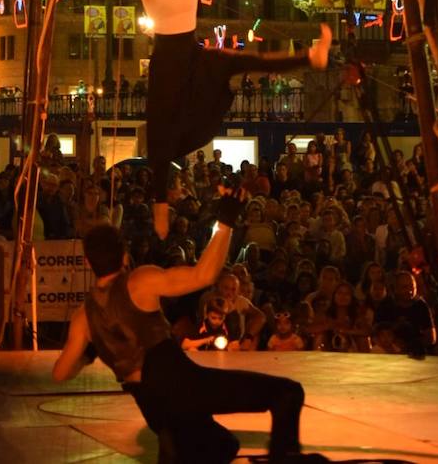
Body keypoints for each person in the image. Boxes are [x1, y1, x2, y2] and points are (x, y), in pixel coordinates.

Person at [118, 0, 332, 238]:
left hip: (191, 52)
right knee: (160, 133)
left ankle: (309, 57)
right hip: (165, 61)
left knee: (242, 59)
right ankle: (160, 205)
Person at [52, 193, 309, 464]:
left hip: (153, 408)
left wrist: (89, 353)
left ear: (87, 262)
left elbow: (60, 373)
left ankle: (172, 446)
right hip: (179, 383)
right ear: (125, 256)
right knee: (287, 393)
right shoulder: (139, 282)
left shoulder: (83, 317)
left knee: (223, 445)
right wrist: (226, 221)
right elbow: (204, 275)